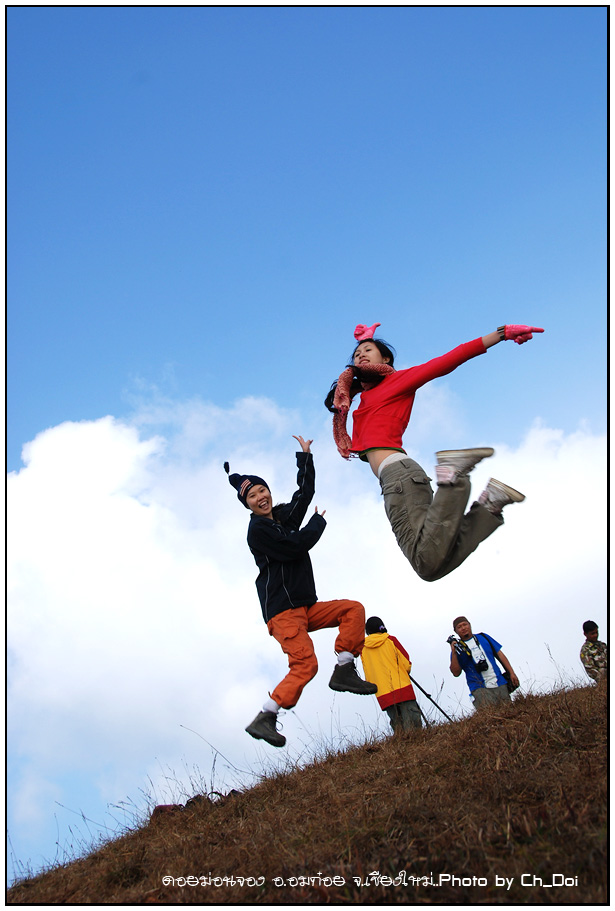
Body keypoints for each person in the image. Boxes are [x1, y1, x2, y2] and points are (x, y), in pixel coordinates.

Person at [325, 321, 544, 581]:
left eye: (368, 350)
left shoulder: (398, 381)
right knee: (432, 563)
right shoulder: (360, 398)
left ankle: (454, 478)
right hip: (402, 478)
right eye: (357, 353)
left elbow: (448, 360)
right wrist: (362, 350)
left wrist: (501, 334)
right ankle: (489, 506)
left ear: (385, 359)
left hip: (399, 477)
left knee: (426, 563)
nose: (360, 355)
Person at [224, 435, 377, 749]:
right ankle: (266, 716)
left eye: (262, 490)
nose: (260, 497)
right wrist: (316, 524)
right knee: (306, 664)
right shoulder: (258, 530)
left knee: (353, 609)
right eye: (252, 495)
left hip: (305, 607)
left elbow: (304, 494)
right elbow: (295, 546)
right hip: (284, 613)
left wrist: (305, 456)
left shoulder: (281, 519)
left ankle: (344, 668)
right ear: (247, 504)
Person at [360, 616, 423, 733]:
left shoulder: (362, 649)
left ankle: (402, 743)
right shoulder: (390, 640)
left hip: (382, 693)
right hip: (402, 687)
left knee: (398, 726)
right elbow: (406, 664)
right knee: (413, 724)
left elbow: (367, 674)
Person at [448, 616, 519, 709]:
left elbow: (500, 655)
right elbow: (456, 673)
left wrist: (512, 673)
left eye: (465, 625)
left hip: (499, 682)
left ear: (469, 625)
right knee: (489, 715)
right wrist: (454, 651)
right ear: (456, 631)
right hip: (479, 688)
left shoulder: (483, 637)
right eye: (459, 627)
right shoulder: (458, 649)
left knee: (508, 711)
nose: (463, 628)